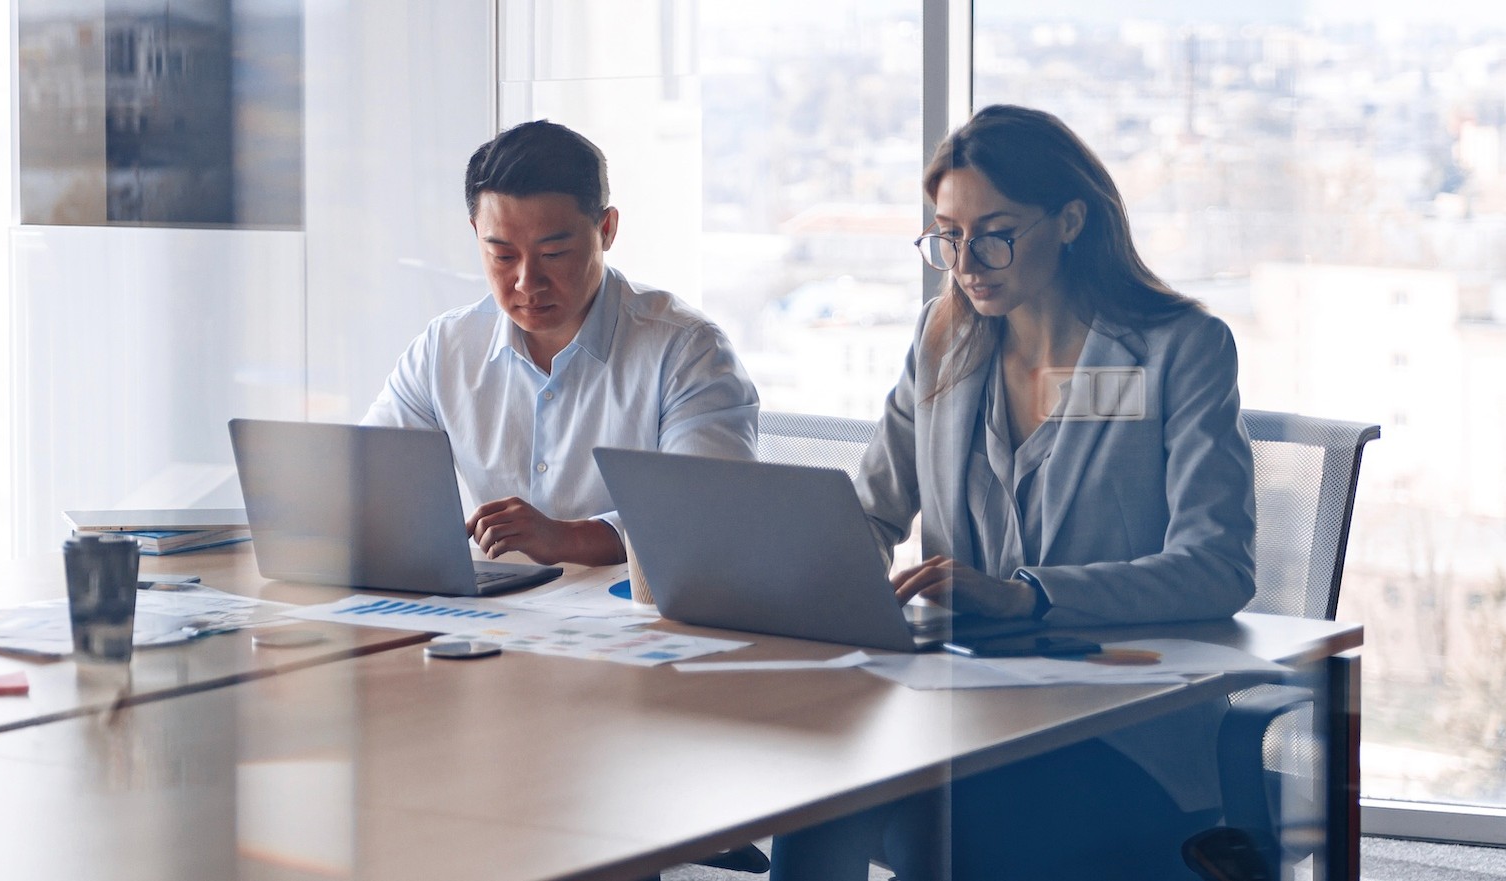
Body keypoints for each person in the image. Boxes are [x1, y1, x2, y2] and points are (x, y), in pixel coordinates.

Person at [772, 104, 1257, 880]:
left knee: (943, 833)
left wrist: (1027, 596)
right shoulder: (944, 340)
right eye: (947, 235)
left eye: (995, 232)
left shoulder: (1179, 351)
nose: (968, 260)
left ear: (1070, 220)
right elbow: (869, 513)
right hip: (961, 702)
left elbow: (1218, 565)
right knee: (814, 801)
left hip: (1117, 726)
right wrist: (813, 580)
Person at [364, 120, 760, 566]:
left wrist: (564, 539)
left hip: (634, 618)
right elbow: (366, 482)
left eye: (553, 254)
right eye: (503, 255)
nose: (527, 283)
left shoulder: (686, 351)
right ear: (476, 232)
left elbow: (709, 519)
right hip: (495, 613)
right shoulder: (445, 348)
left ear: (607, 229)